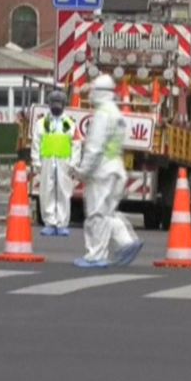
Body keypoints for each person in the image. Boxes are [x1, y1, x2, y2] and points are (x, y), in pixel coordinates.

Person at [71, 74, 142, 268]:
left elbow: (94, 147)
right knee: (108, 212)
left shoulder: (102, 114)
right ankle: (127, 242)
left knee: (96, 214)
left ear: (100, 92)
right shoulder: (117, 113)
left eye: (93, 90)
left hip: (101, 171)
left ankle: (95, 255)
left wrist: (83, 171)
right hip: (116, 169)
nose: (90, 94)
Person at [31, 90, 79, 236]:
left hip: (64, 162)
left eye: (59, 104)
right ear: (49, 105)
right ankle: (50, 222)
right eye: (54, 104)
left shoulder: (69, 123)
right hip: (47, 161)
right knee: (47, 191)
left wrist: (73, 163)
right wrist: (36, 161)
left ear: (64, 105)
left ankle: (62, 223)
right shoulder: (42, 123)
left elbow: (76, 144)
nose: (56, 107)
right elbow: (36, 142)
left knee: (63, 191)